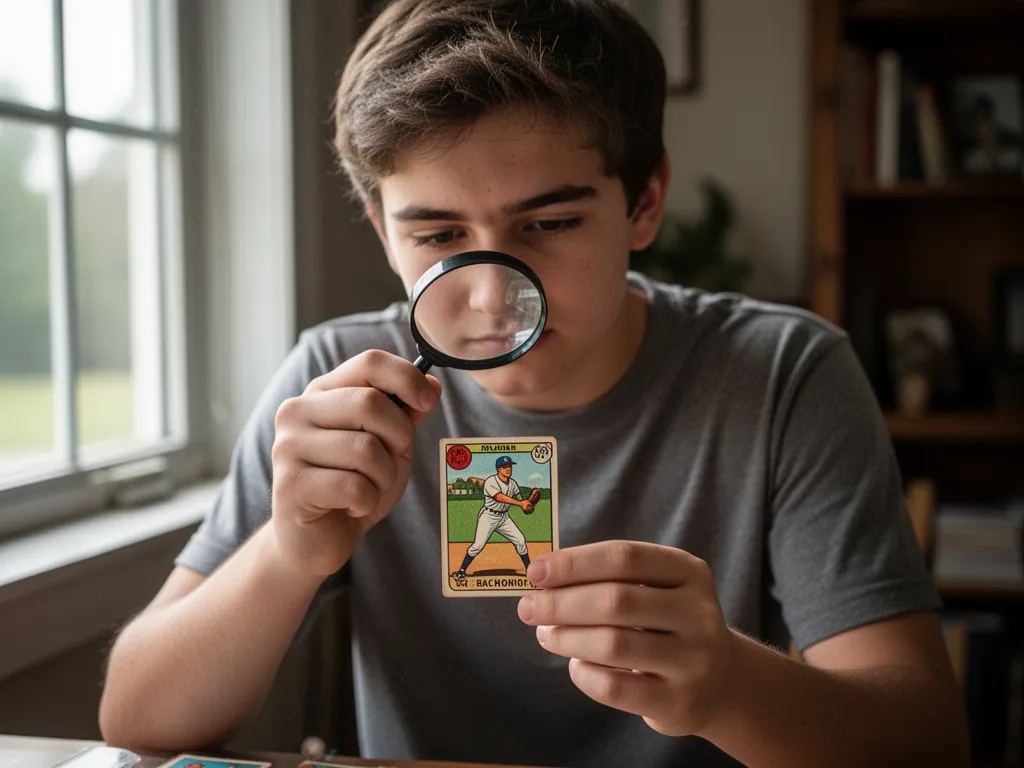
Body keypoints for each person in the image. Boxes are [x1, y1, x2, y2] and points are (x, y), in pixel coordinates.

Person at [98, 1, 970, 766]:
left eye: (550, 222)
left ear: (644, 203)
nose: (491, 296)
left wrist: (728, 685)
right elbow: (136, 718)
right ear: (381, 230)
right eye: (437, 236)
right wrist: (287, 555)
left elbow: (927, 744)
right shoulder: (337, 388)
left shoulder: (783, 374)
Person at [454, 455, 534, 580]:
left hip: (504, 518)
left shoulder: (513, 484)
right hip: (488, 516)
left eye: (510, 466)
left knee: (520, 540)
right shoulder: (490, 482)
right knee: (477, 546)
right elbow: (499, 497)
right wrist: (520, 504)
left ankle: (529, 570)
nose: (508, 469)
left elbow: (520, 499)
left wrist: (526, 505)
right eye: (505, 467)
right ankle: (462, 571)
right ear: (499, 469)